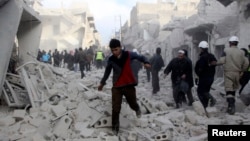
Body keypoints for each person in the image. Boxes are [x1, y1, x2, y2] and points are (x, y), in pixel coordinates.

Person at [98, 39, 150, 135]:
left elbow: (141, 57)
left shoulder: (129, 54)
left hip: (128, 85)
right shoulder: (111, 59)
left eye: (116, 49)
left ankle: (137, 108)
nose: (114, 52)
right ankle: (115, 128)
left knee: (132, 103)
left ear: (120, 47)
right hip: (117, 86)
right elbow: (107, 72)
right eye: (112, 50)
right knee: (116, 107)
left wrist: (146, 62)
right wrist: (102, 83)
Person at [216, 36, 249, 115]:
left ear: (230, 43)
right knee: (234, 90)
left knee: (229, 90)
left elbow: (221, 61)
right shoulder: (241, 52)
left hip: (228, 73)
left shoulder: (226, 50)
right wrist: (242, 70)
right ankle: (231, 106)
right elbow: (246, 63)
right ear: (237, 43)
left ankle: (231, 107)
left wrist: (215, 63)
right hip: (237, 73)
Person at [195, 41, 217, 109]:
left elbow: (200, 68)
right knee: (206, 91)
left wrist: (197, 76)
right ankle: (205, 106)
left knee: (200, 91)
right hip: (211, 77)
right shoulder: (212, 56)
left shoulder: (202, 57)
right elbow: (215, 64)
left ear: (201, 48)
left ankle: (212, 100)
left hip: (204, 77)